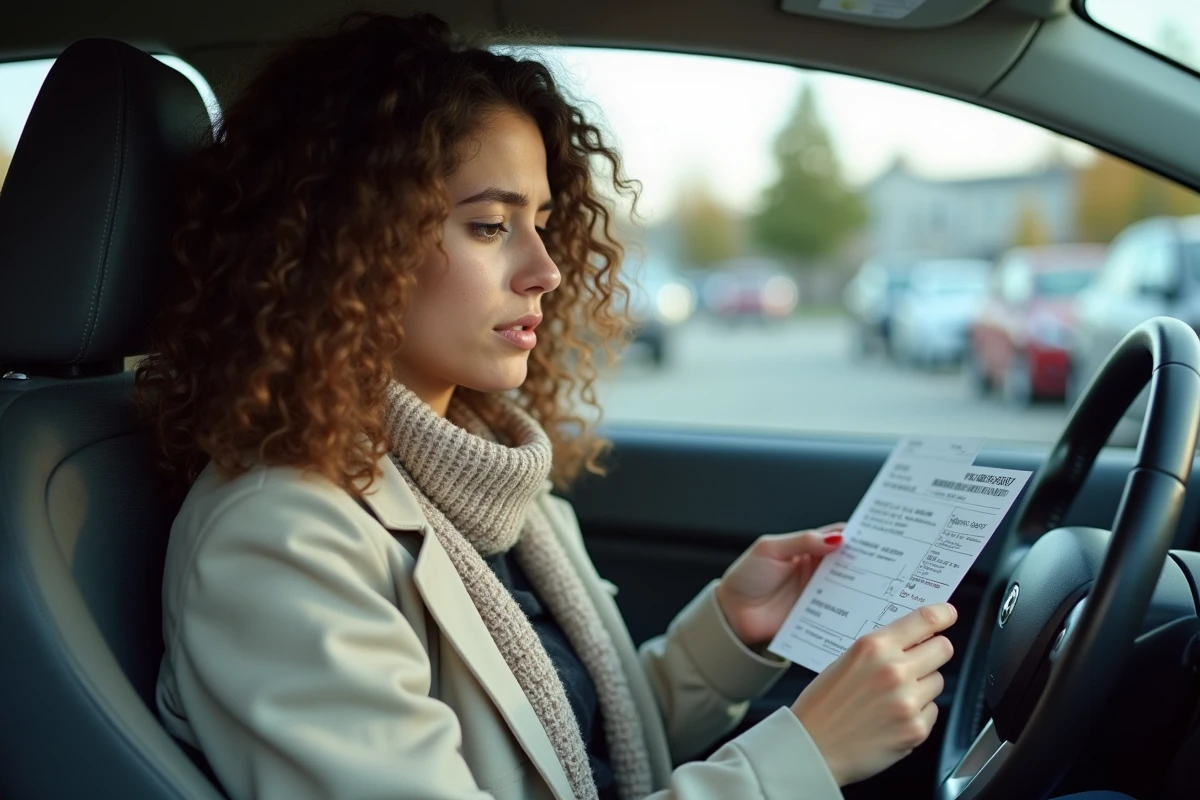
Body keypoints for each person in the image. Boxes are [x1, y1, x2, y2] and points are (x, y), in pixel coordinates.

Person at [136, 12, 1133, 800]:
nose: (547, 268)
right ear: (344, 244)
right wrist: (807, 754)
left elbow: (577, 750)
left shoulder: (480, 474)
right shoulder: (274, 539)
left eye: (542, 222)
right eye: (490, 226)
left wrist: (730, 635)